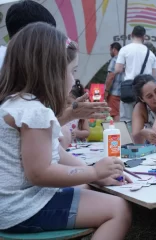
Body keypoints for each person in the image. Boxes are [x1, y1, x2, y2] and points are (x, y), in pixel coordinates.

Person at [0, 23, 131, 238]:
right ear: (49, 72)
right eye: (72, 71)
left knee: (86, 187)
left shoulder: (16, 104)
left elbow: (57, 154)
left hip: (12, 205)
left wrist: (96, 177)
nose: (73, 80)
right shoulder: (34, 112)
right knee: (118, 209)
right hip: (23, 209)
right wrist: (94, 172)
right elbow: (40, 173)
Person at [2, 0, 110, 126]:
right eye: (48, 37)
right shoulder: (30, 107)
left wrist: (70, 114)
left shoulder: (24, 98)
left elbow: (30, 131)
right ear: (32, 37)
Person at [115, 26, 156, 122]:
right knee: (143, 118)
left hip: (129, 88)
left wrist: (127, 68)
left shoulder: (125, 50)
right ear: (144, 37)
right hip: (145, 90)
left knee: (127, 119)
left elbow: (118, 69)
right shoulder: (150, 54)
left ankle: (128, 136)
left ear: (131, 35)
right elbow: (154, 76)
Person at [105, 42, 123, 121]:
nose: (110, 52)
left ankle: (116, 132)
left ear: (114, 49)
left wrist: (106, 91)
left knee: (115, 114)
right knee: (120, 113)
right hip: (123, 93)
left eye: (110, 50)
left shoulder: (114, 60)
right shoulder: (124, 61)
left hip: (114, 93)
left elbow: (110, 77)